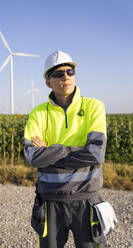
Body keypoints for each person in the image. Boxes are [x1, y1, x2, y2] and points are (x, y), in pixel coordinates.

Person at [24, 50, 108, 248]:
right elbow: (32, 156)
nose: (66, 77)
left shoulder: (94, 107)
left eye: (70, 71)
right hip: (50, 201)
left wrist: (51, 151)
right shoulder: (38, 114)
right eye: (59, 74)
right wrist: (76, 150)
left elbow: (96, 154)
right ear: (48, 82)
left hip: (86, 198)